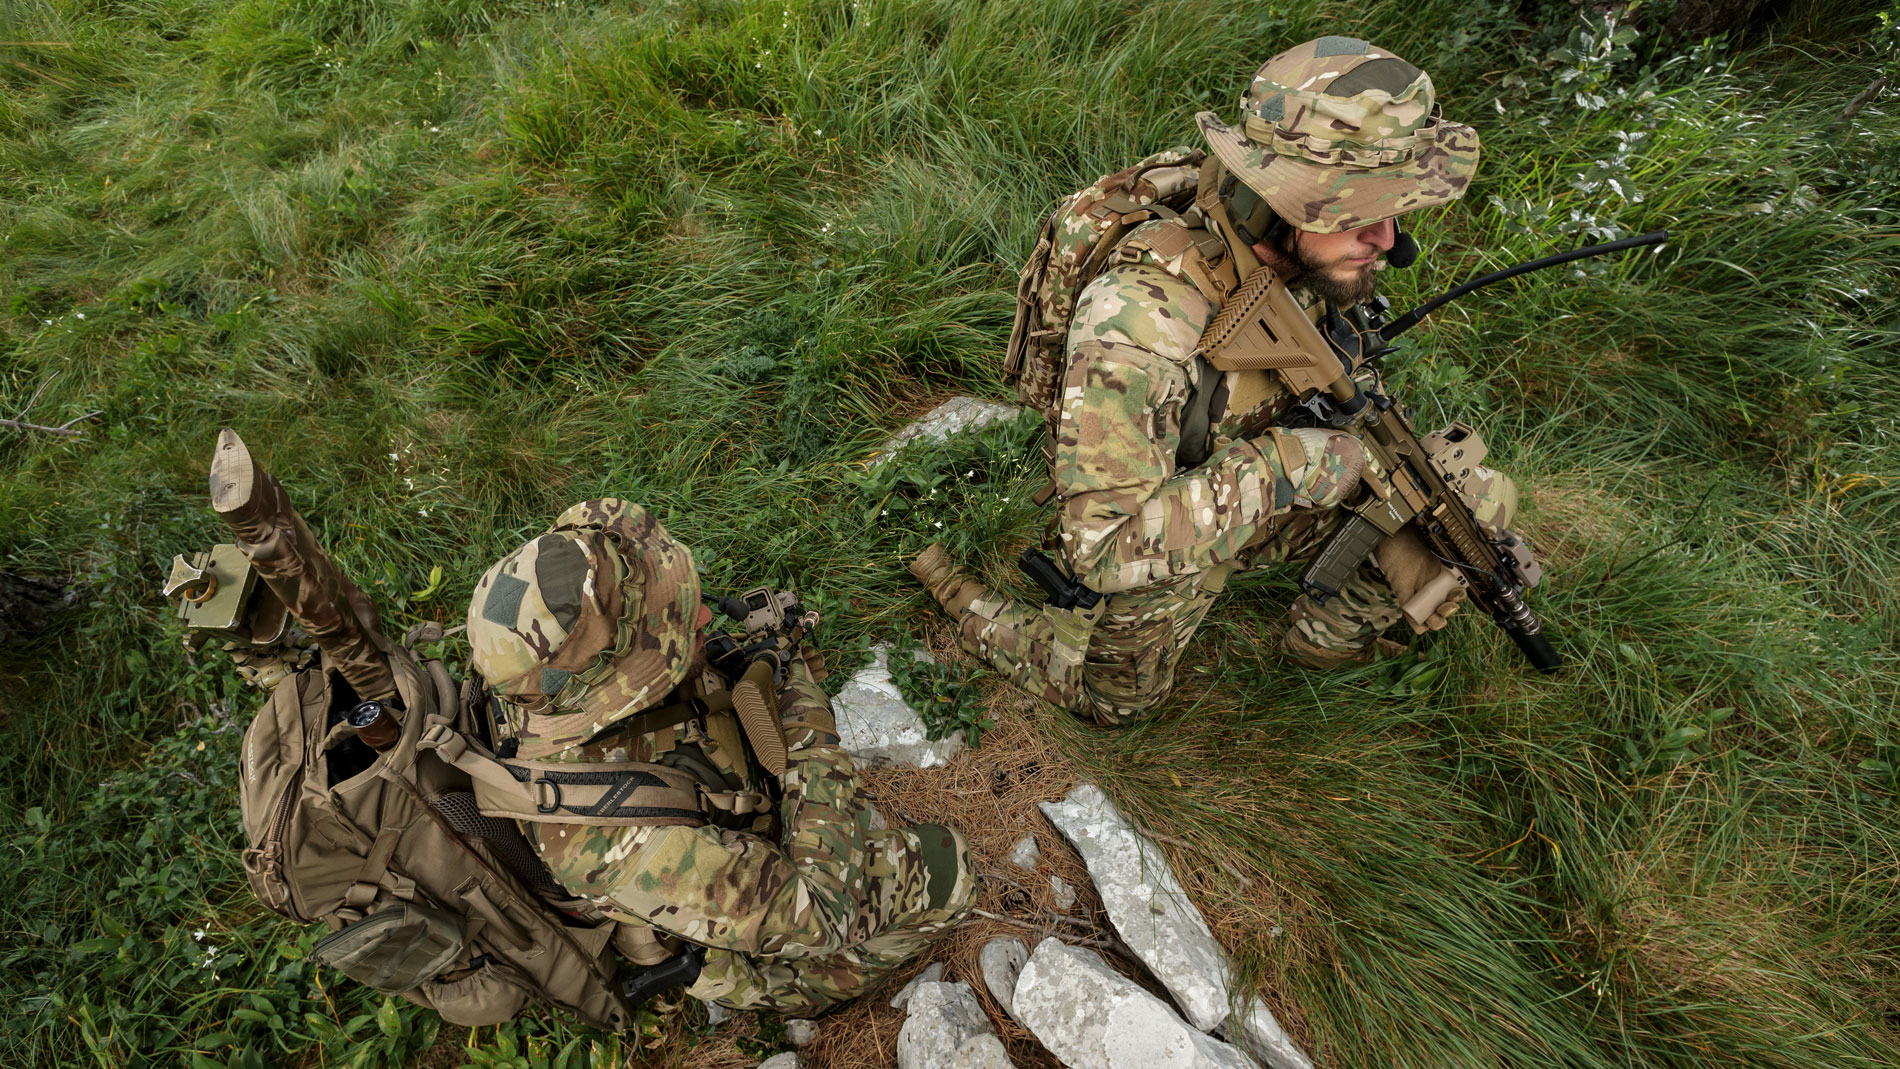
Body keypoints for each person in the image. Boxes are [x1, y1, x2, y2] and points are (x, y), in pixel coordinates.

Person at [911, 36, 1519, 726]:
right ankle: (989, 618)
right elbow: (1103, 550)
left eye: (1396, 208)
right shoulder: (1141, 322)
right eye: (1354, 214)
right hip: (1157, 511)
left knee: (1471, 498)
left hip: (1256, 463)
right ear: (1276, 201)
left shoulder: (1295, 253)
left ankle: (1318, 644)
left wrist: (1388, 501)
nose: (1388, 240)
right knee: (1118, 704)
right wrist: (1296, 467)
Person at [466, 499, 976, 1014]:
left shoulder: (543, 684)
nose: (705, 615)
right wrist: (805, 725)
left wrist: (727, 669)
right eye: (667, 628)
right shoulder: (605, 843)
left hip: (709, 816)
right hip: (752, 938)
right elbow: (822, 911)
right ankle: (814, 989)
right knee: (947, 866)